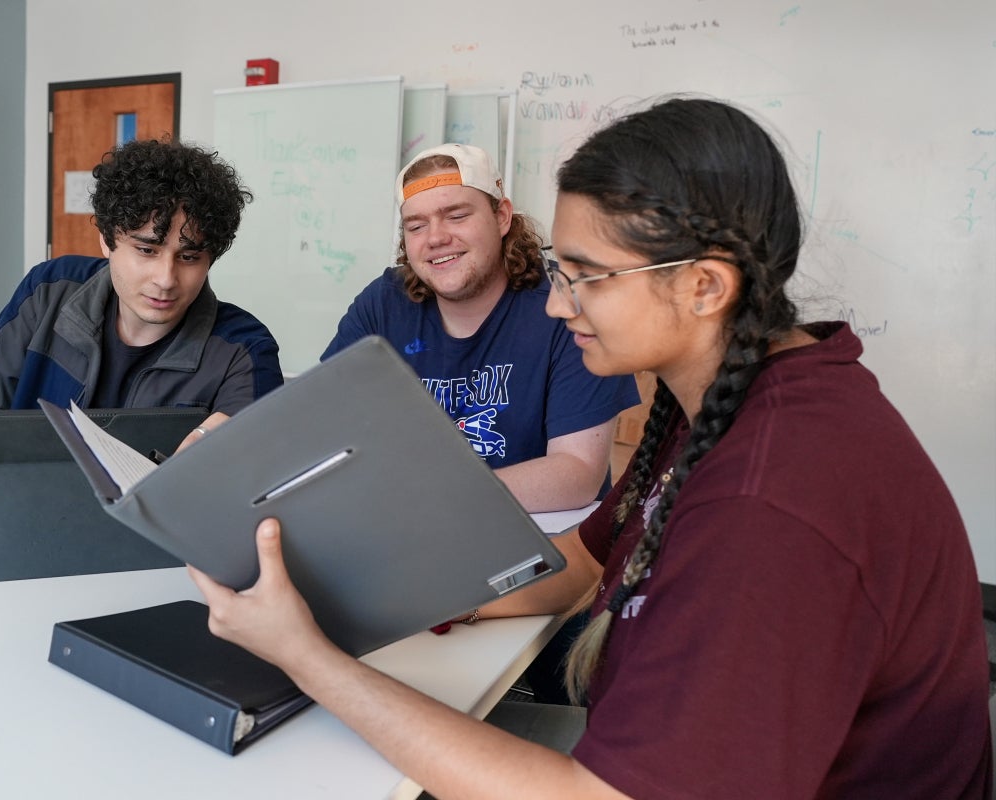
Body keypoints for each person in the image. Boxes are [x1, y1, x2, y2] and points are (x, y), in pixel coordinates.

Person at [185, 98, 993, 798]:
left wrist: (309, 658)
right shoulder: (728, 400)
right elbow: (583, 557)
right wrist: (437, 596)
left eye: (585, 276)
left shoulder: (772, 503)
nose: (556, 306)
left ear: (705, 286)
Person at [0, 139, 283, 543]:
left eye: (189, 257)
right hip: (18, 529)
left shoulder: (243, 349)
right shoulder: (49, 292)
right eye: (146, 249)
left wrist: (230, 448)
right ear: (107, 241)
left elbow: (260, 480)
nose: (166, 278)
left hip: (151, 556)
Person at [321, 143, 639, 513]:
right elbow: (325, 421)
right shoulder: (383, 304)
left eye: (456, 215)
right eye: (417, 225)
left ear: (502, 217)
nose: (435, 237)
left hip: (538, 535)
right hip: (412, 528)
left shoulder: (565, 308)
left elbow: (578, 474)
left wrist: (428, 496)